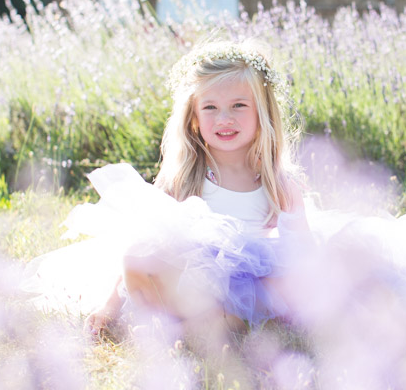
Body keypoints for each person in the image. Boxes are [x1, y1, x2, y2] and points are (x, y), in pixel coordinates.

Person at [26, 38, 308, 338]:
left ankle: (218, 325)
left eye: (238, 106)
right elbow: (146, 239)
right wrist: (110, 306)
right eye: (210, 107)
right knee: (136, 257)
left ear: (262, 112)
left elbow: (304, 255)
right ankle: (196, 324)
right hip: (190, 288)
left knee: (286, 281)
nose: (224, 118)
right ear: (194, 119)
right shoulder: (183, 179)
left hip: (248, 292)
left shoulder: (278, 185)